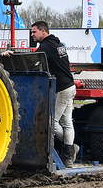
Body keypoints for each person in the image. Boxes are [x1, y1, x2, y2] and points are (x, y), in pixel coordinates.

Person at [29, 21, 78, 167]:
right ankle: (69, 156)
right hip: (70, 86)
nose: (32, 35)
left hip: (62, 89)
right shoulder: (58, 44)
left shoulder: (47, 46)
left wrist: (11, 55)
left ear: (43, 31)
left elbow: (32, 60)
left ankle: (69, 150)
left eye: (34, 32)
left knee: (51, 122)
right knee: (67, 123)